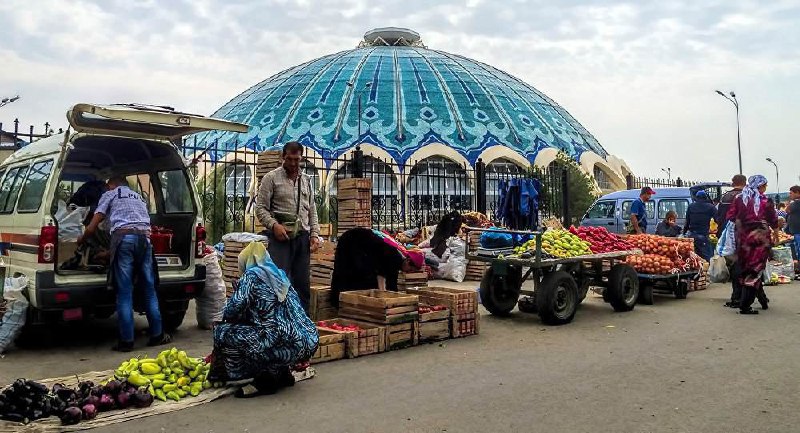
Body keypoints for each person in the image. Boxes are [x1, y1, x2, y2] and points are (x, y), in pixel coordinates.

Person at [209, 241, 318, 398]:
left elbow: (232, 310)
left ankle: (265, 380)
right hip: (308, 340)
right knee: (274, 330)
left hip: (281, 341)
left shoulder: (251, 277)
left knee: (223, 331)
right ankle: (282, 373)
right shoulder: (279, 275)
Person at [78, 176, 170, 351]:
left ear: (111, 185)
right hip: (144, 240)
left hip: (123, 238)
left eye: (107, 187)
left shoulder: (111, 195)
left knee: (125, 292)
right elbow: (136, 230)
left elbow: (92, 227)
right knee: (149, 290)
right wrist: (110, 253)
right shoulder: (139, 197)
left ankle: (126, 341)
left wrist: (81, 240)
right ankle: (157, 335)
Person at [255, 142, 320, 311]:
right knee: (278, 283)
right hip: (280, 239)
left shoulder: (306, 180)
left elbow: (312, 209)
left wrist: (314, 234)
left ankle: (301, 324)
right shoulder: (271, 178)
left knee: (302, 285)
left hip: (302, 238)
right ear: (283, 157)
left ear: (301, 158)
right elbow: (260, 208)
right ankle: (276, 322)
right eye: (289, 159)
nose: (292, 163)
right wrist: (274, 225)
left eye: (296, 159)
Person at [330, 228, 425, 307]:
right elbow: (383, 278)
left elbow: (390, 283)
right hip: (351, 241)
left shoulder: (398, 256)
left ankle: (343, 302)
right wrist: (386, 300)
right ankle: (339, 303)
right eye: (411, 269)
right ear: (408, 261)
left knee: (365, 275)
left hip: (358, 243)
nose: (408, 272)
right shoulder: (395, 257)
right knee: (350, 272)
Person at [725, 175, 779, 315]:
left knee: (747, 268)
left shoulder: (738, 199)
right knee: (755, 269)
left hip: (743, 239)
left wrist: (742, 223)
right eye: (765, 185)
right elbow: (773, 220)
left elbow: (730, 216)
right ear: (760, 186)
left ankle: (762, 299)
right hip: (760, 240)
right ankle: (745, 306)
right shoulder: (765, 201)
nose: (765, 188)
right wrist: (776, 235)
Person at [717, 174, 746, 308]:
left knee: (735, 266)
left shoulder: (726, 197)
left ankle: (737, 296)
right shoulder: (747, 196)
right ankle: (742, 296)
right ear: (744, 183)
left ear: (733, 182)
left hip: (729, 236)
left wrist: (721, 235)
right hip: (746, 235)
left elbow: (721, 218)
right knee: (745, 267)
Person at [683, 190, 717, 261]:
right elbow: (718, 219)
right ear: (705, 198)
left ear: (696, 198)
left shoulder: (691, 206)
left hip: (692, 235)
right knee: (708, 257)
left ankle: (697, 271)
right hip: (703, 236)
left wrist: (684, 233)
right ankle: (706, 271)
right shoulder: (710, 207)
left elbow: (687, 222)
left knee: (694, 258)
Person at [786, 185, 800, 264]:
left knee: (798, 250)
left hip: (798, 232)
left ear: (797, 193)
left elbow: (787, 210)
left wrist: (789, 203)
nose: (789, 195)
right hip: (795, 232)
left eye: (791, 193)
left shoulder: (796, 203)